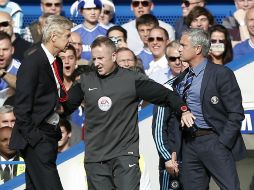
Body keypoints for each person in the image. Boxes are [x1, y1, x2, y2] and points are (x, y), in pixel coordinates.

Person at [62, 36, 195, 190]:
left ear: (113, 56)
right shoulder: (85, 81)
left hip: (125, 155)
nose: (96, 63)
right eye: (94, 58)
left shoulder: (132, 79)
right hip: (95, 157)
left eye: (100, 58)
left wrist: (183, 110)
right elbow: (64, 107)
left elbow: (166, 95)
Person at [174, 28, 247, 190]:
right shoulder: (181, 80)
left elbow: (235, 113)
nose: (179, 49)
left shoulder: (221, 74)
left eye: (183, 45)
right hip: (189, 144)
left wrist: (222, 143)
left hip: (214, 141)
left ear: (197, 48)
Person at [9, 15, 73, 190]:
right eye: (67, 35)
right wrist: (36, 139)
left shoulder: (56, 62)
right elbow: (21, 109)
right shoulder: (32, 63)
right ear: (54, 37)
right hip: (37, 137)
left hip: (49, 135)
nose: (71, 39)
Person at [152, 40, 184, 190]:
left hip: (194, 159)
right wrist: (167, 157)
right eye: (172, 59)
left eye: (180, 57)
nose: (177, 62)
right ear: (168, 61)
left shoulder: (198, 86)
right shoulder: (165, 90)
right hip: (173, 160)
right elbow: (158, 129)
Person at [0, 31, 20, 106]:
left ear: (12, 50)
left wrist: (3, 74)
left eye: (5, 49)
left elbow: (25, 85)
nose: (1, 54)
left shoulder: (21, 68)